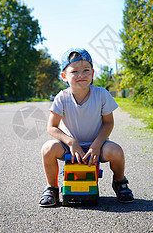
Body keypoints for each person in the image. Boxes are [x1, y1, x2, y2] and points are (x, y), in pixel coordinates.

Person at [39, 48, 134, 207]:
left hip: (98, 144)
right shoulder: (62, 97)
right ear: (64, 76)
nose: (81, 74)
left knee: (116, 151)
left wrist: (96, 145)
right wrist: (71, 142)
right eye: (74, 71)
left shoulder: (101, 94)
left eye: (86, 70)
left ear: (93, 73)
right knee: (48, 148)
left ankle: (120, 182)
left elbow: (108, 123)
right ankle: (52, 188)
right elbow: (52, 127)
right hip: (68, 146)